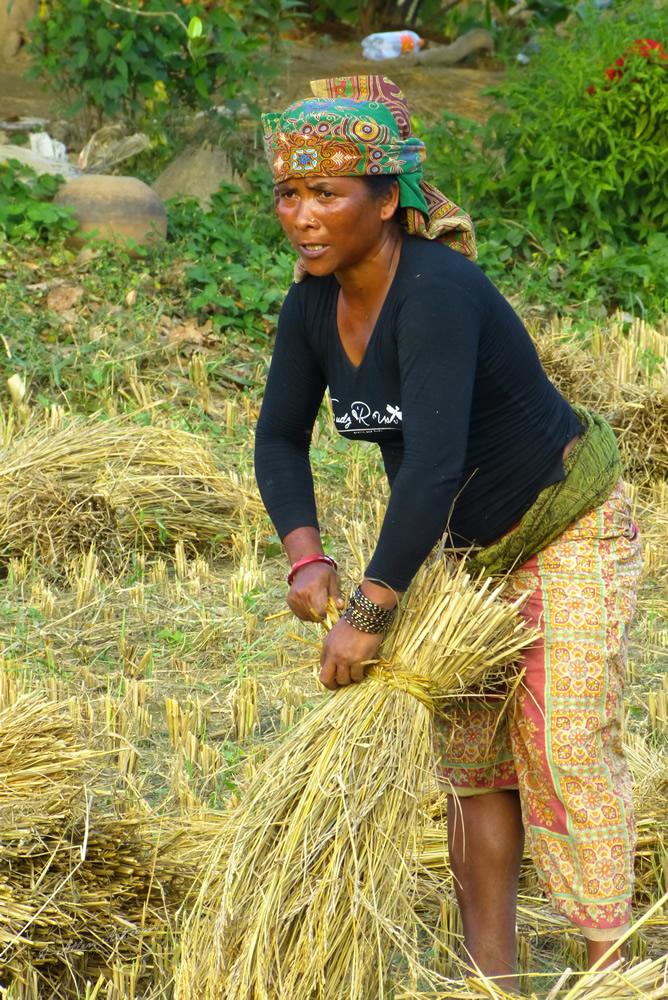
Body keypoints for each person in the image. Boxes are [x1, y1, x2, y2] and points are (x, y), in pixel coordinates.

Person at [254, 74, 642, 989]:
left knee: (561, 747)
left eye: (327, 193)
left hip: (563, 525)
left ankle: (615, 969)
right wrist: (305, 552)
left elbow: (431, 466)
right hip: (461, 558)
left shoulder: (438, 292)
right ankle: (490, 980)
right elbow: (277, 437)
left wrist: (371, 610)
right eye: (289, 194)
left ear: (387, 202)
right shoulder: (310, 307)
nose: (304, 216)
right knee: (472, 763)